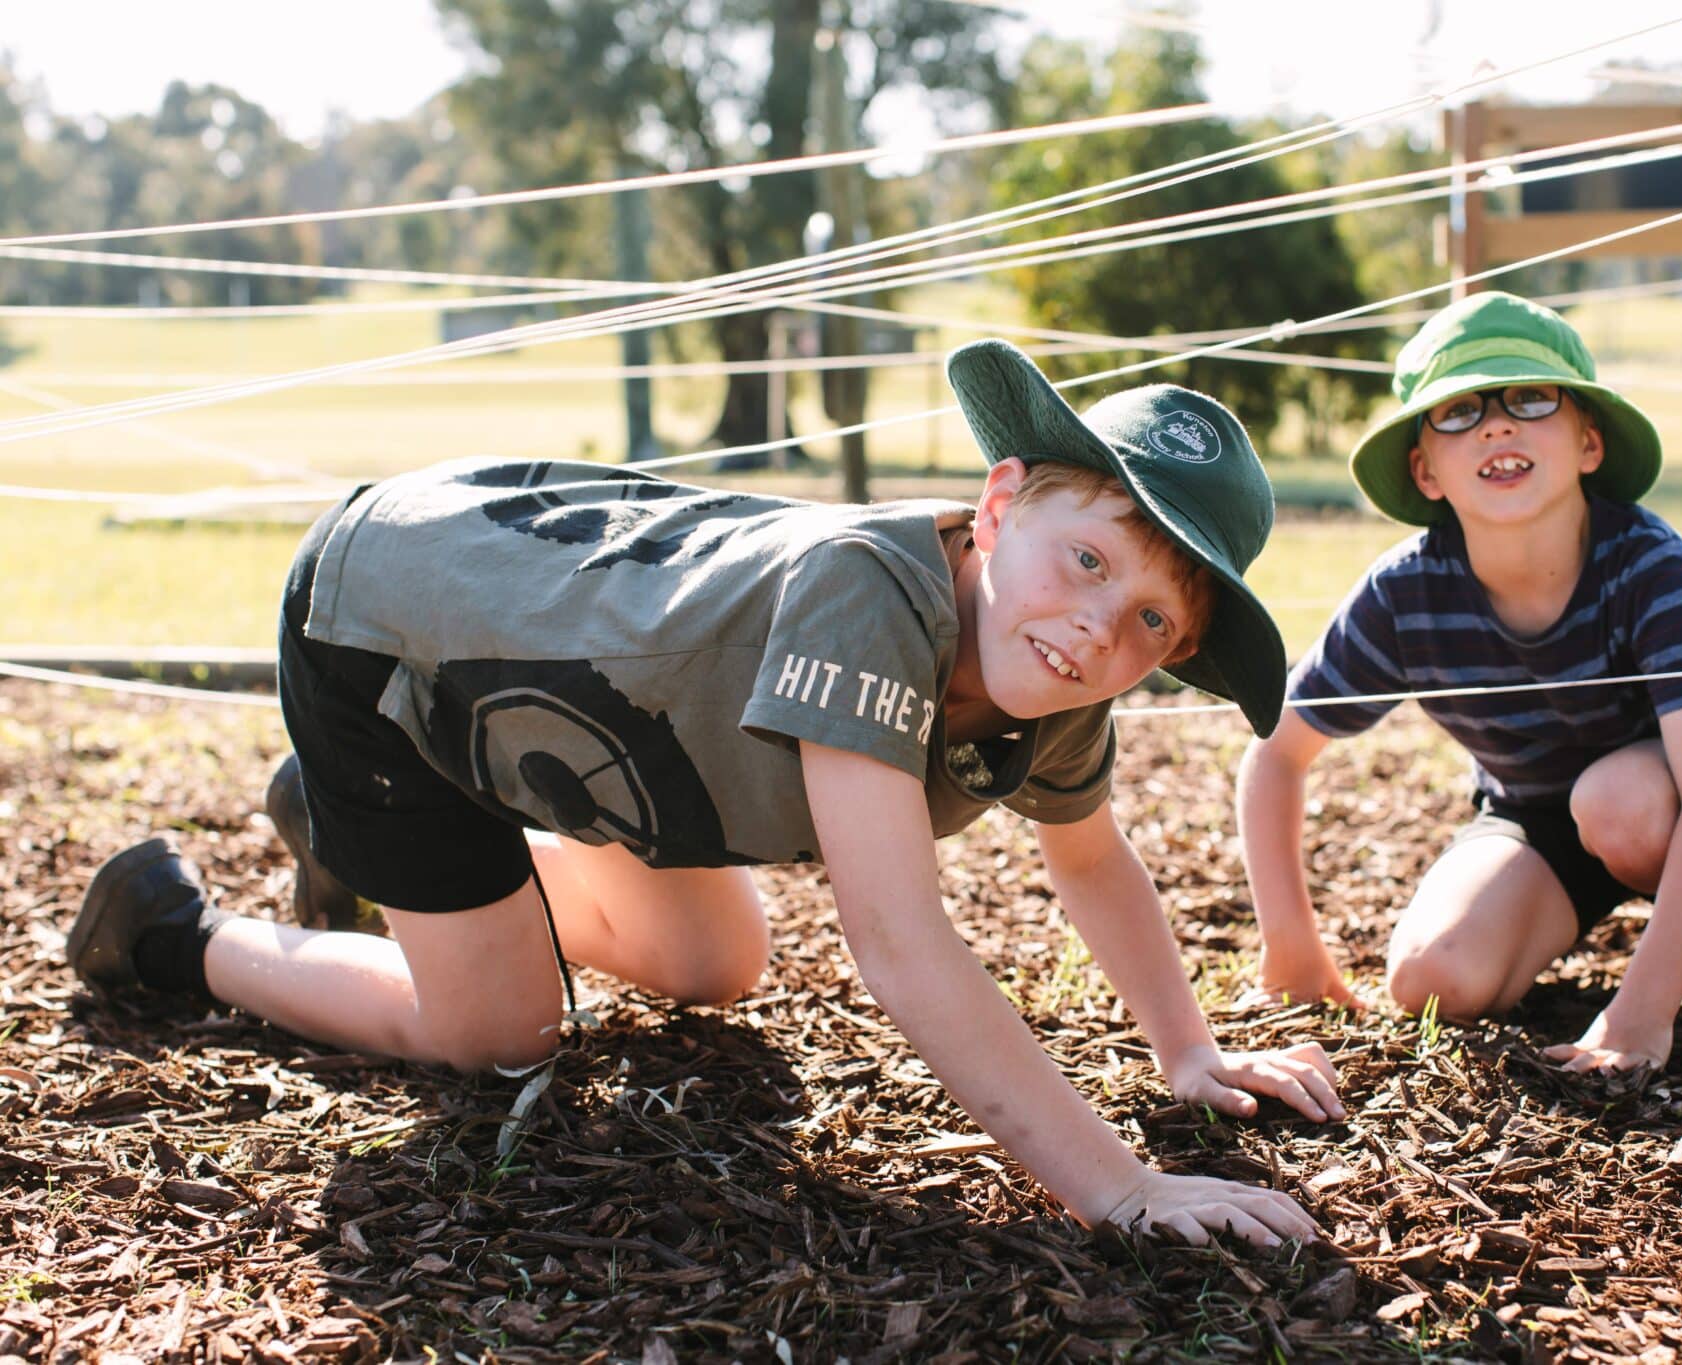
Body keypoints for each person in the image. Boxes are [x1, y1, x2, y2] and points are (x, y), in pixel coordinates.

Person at [68, 339, 1343, 1247]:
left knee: (715, 959)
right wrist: (1117, 1190)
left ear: (1169, 652)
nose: (1093, 628)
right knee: (497, 1035)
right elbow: (898, 948)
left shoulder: (1053, 674)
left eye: (1145, 620)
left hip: (593, 721)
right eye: (1083, 558)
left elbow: (1091, 861)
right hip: (395, 620)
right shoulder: (873, 595)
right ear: (998, 505)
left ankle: (358, 829)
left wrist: (1186, 1051)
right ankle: (175, 934)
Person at [1236, 292, 1682, 1073]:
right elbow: (1277, 752)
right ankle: (1617, 900)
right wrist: (1292, 947)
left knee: (1618, 808)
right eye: (1459, 411)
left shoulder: (1647, 564)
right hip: (1536, 811)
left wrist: (1640, 1018)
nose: (1496, 425)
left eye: (1530, 398)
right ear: (1425, 470)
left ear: (1588, 442)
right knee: (1430, 981)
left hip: (1681, 793)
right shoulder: (1406, 595)